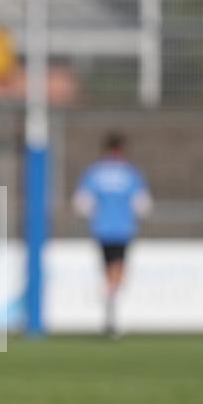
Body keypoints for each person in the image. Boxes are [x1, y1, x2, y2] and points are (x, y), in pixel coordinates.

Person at [72, 131, 152, 337]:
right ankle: (111, 308)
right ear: (122, 150)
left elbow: (82, 203)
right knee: (118, 272)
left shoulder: (94, 172)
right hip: (122, 229)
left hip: (101, 229)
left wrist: (99, 213)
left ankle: (110, 309)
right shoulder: (130, 173)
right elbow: (143, 204)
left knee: (108, 271)